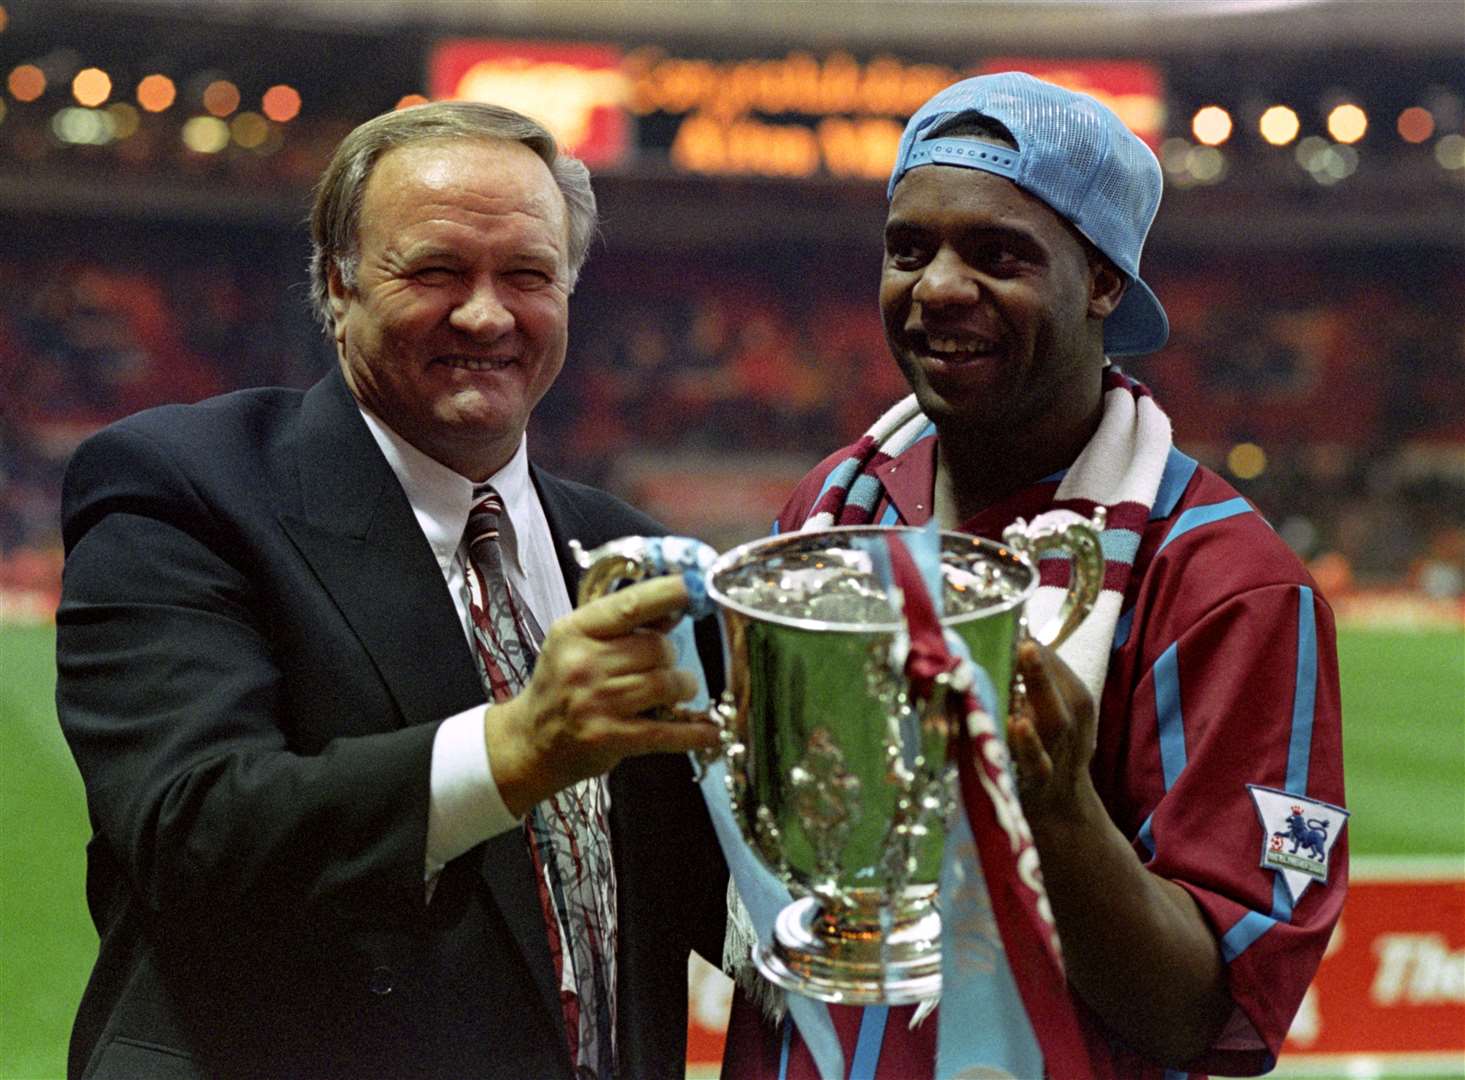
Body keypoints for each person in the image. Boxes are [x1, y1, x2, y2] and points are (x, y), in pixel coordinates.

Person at [54, 101, 727, 1080]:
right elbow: (191, 826)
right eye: (437, 271)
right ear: (338, 282)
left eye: (528, 275)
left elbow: (700, 897)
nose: (488, 314)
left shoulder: (624, 548)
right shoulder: (185, 486)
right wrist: (521, 747)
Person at [719, 71, 1346, 1080]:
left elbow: (1209, 1014)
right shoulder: (831, 510)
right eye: (908, 249)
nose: (937, 287)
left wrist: (1054, 807)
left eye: (998, 253)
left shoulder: (1226, 581)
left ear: (1102, 281)